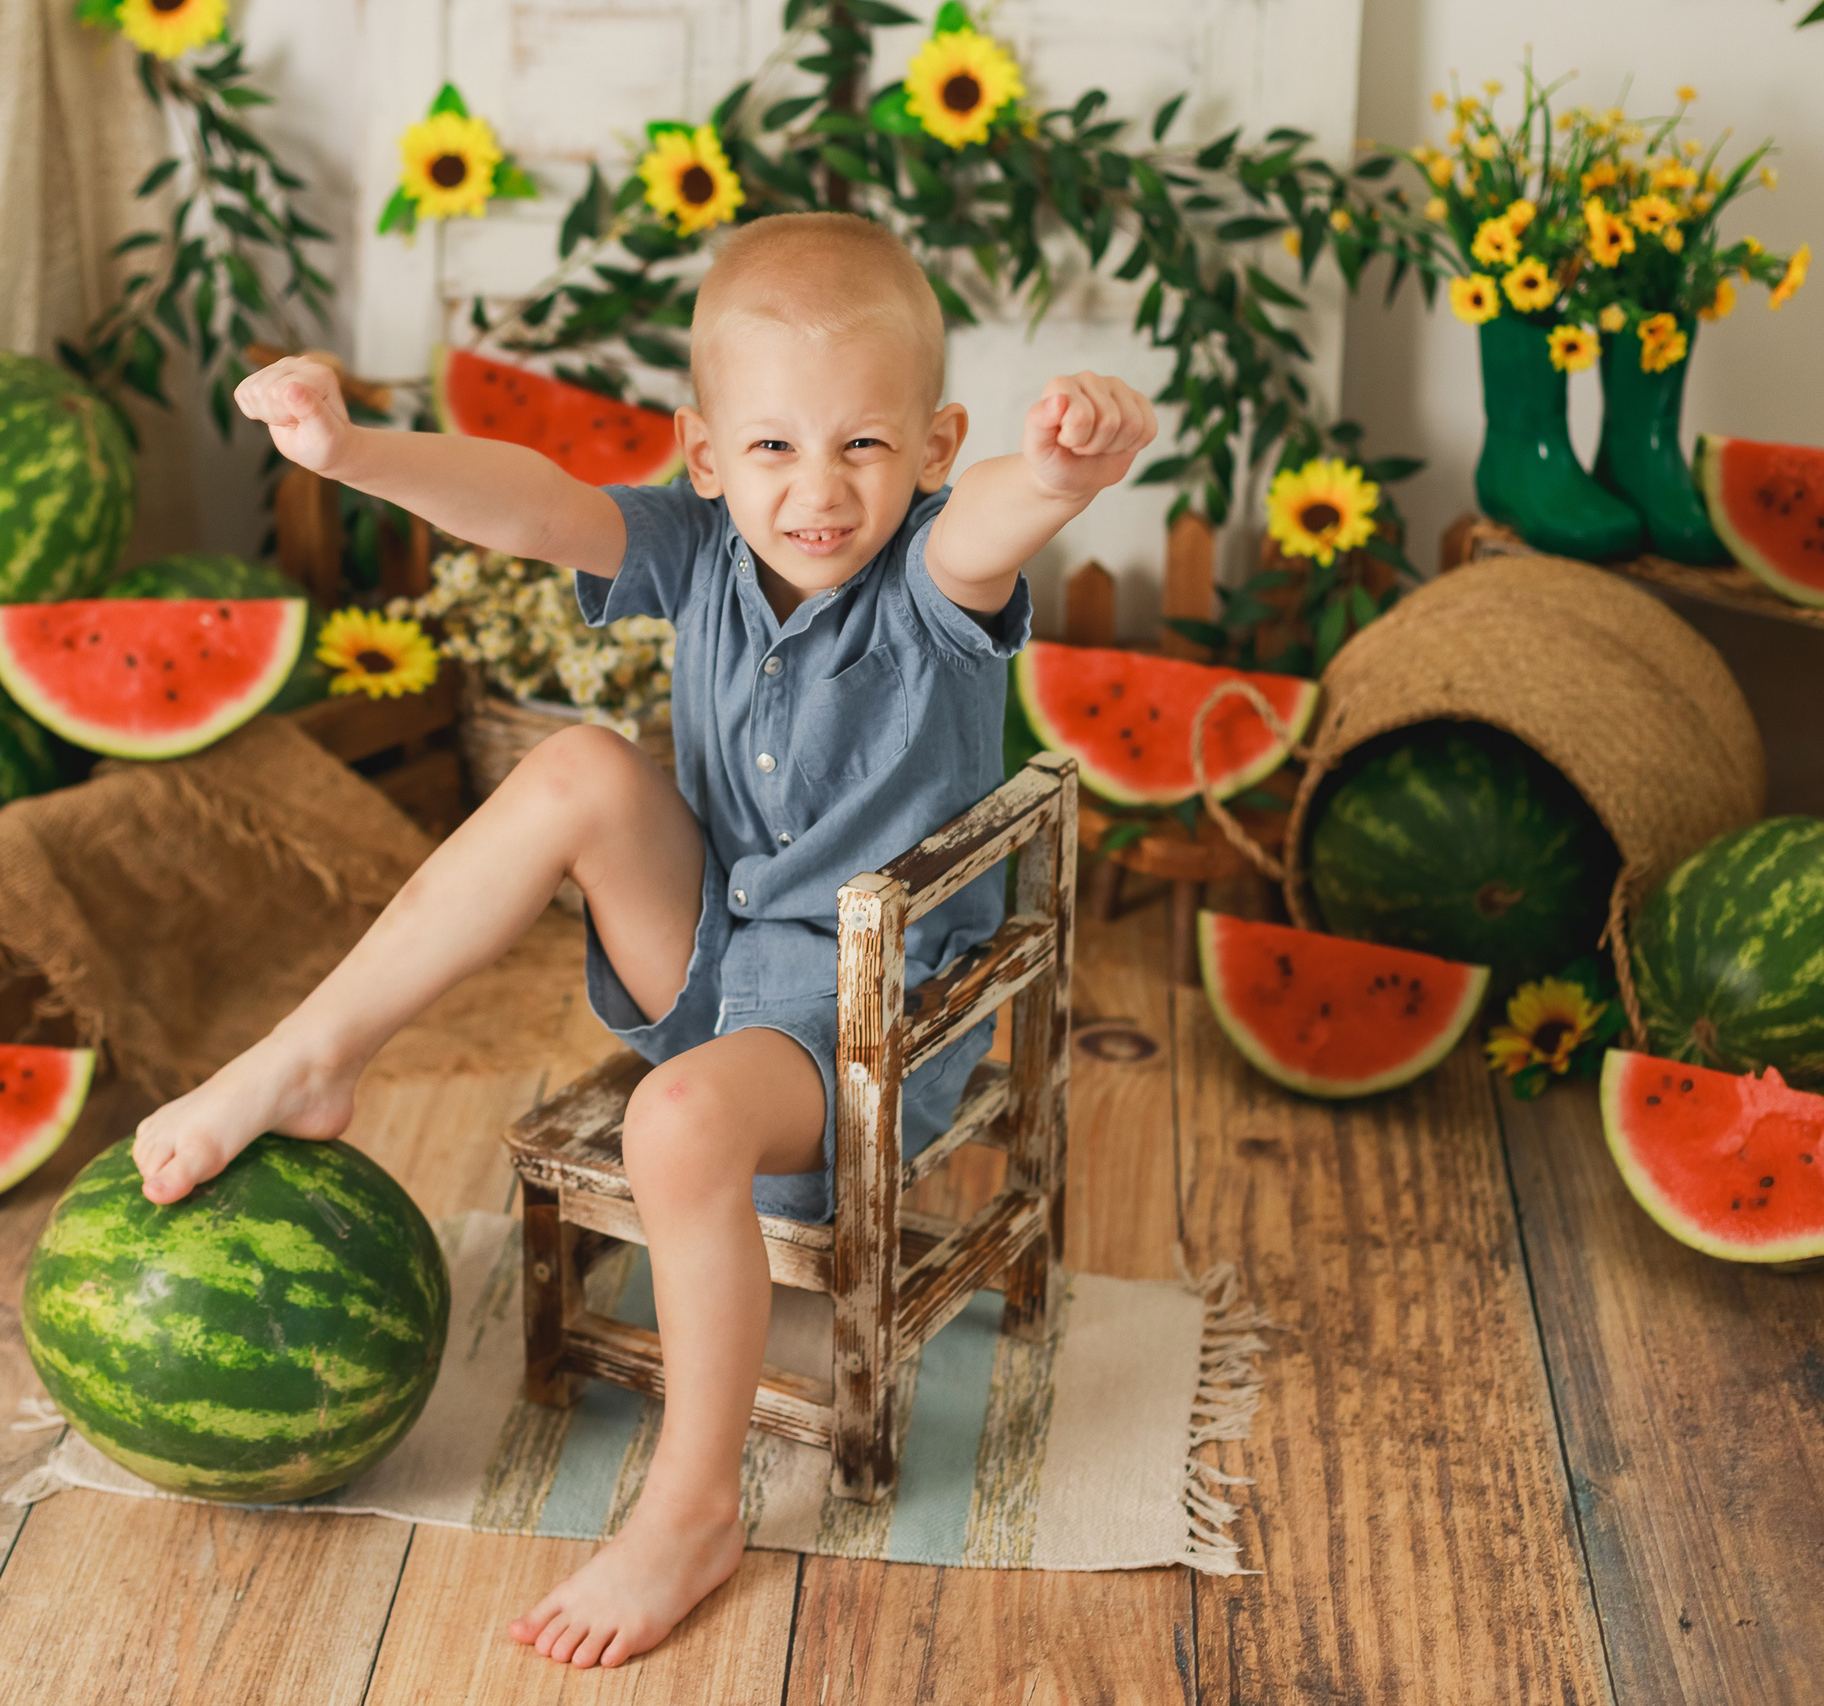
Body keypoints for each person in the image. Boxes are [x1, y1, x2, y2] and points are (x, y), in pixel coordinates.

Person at [137, 212, 1156, 1668]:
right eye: (774, 450)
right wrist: (349, 451)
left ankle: (691, 1506)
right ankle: (308, 1058)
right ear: (703, 453)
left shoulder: (934, 584)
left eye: (865, 447)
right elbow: (535, 501)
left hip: (861, 1034)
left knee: (677, 1124)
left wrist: (1058, 472)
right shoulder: (696, 546)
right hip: (714, 953)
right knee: (573, 770)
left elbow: (995, 523)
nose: (818, 493)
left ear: (934, 445)